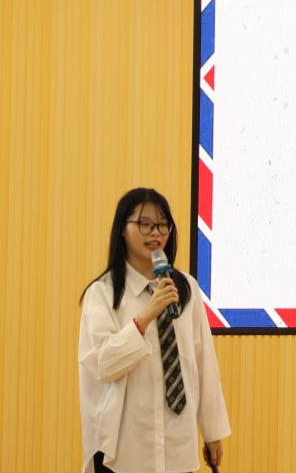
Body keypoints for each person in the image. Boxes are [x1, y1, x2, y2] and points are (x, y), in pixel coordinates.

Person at [78, 187, 230, 473]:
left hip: (177, 447)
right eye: (144, 224)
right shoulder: (103, 293)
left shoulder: (186, 288)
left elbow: (203, 363)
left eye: (162, 225)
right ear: (122, 230)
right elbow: (102, 364)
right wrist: (145, 317)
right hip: (124, 451)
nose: (155, 233)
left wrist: (212, 431)